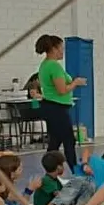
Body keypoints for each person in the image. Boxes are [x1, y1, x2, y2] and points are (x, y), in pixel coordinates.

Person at [35, 34, 86, 172]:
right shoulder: (54, 66)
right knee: (69, 140)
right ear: (53, 49)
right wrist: (75, 83)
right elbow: (62, 90)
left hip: (51, 107)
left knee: (55, 141)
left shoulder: (45, 65)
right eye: (61, 48)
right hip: (56, 108)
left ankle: (49, 169)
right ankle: (76, 171)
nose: (62, 51)